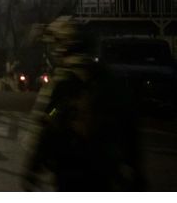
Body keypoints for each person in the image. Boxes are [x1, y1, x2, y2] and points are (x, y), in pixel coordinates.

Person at [22, 16, 143, 191]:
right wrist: (136, 170)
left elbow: (47, 123)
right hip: (106, 171)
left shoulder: (64, 81)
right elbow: (129, 124)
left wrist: (33, 167)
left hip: (71, 171)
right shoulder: (107, 78)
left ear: (62, 47)